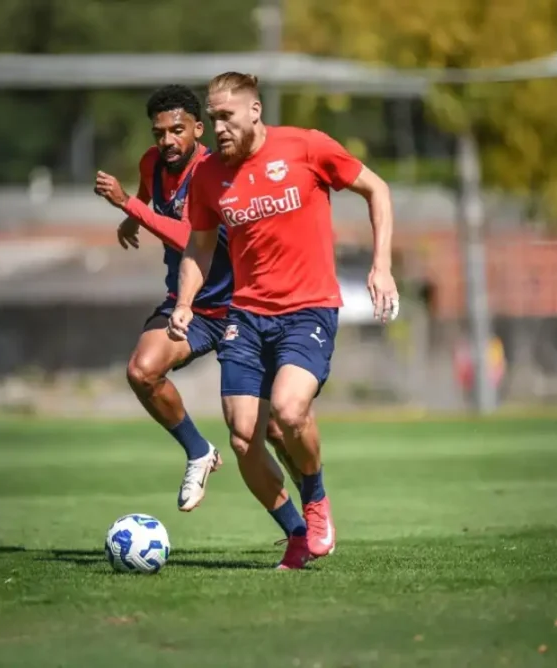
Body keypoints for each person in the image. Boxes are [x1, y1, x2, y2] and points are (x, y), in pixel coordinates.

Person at [168, 73, 399, 565]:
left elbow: (376, 189)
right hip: (246, 316)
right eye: (212, 119)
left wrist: (382, 266)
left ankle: (315, 500)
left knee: (290, 411)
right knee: (243, 435)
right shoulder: (209, 176)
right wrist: (185, 302)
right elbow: (200, 245)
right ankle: (296, 532)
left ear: (255, 111)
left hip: (307, 309)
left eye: (226, 117)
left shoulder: (307, 147)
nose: (218, 128)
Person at [94, 85, 310, 568]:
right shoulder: (152, 164)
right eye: (160, 132)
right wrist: (137, 215)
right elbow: (154, 199)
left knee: (271, 430)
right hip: (189, 307)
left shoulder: (214, 174)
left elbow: (191, 236)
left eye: (177, 130)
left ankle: (306, 521)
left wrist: (130, 208)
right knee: (142, 371)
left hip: (242, 310)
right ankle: (198, 451)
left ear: (197, 129)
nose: (168, 140)